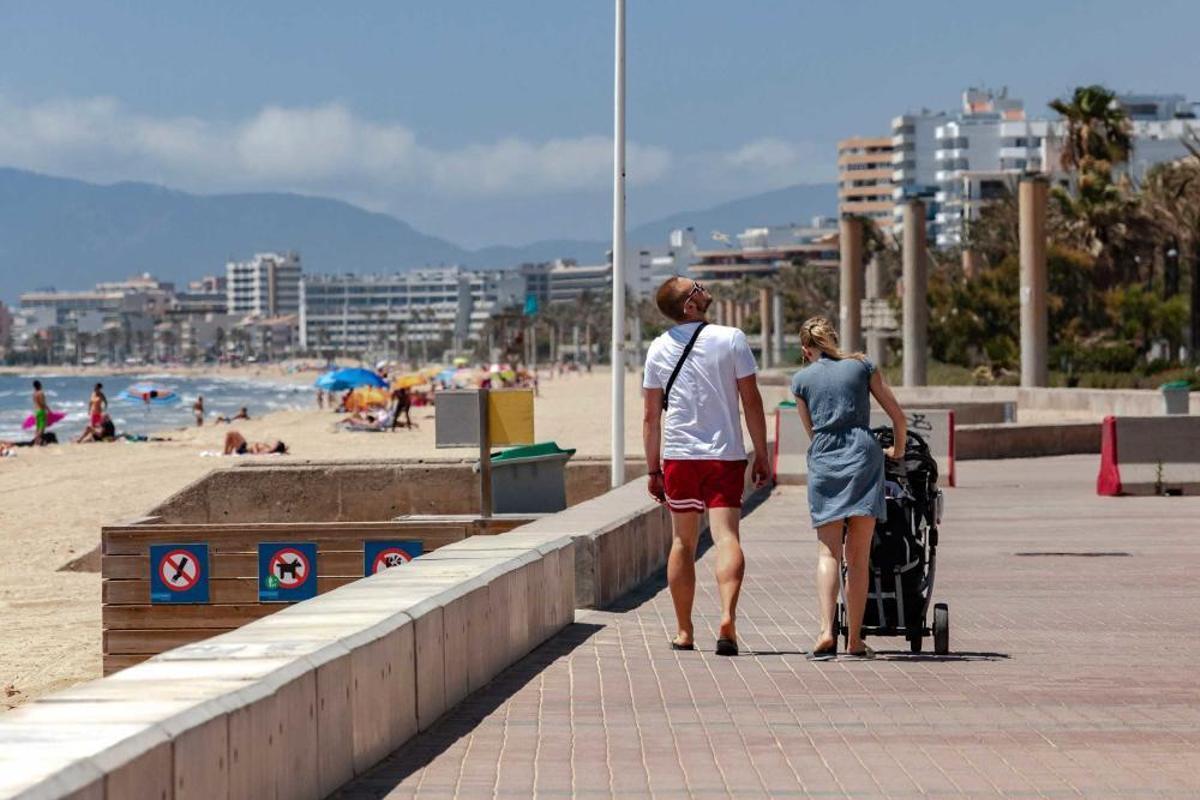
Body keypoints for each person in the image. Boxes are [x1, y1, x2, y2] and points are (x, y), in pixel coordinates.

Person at [642, 276, 770, 656]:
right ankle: (727, 618)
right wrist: (760, 452)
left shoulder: (658, 348)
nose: (702, 286)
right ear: (690, 306)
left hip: (680, 456)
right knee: (726, 537)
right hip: (724, 454)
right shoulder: (732, 339)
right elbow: (751, 401)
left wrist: (653, 469)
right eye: (695, 286)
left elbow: (651, 417)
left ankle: (684, 631)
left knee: (682, 540)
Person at [790, 316, 908, 661]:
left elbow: (812, 431)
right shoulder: (861, 367)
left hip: (825, 460)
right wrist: (897, 451)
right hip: (863, 457)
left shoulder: (801, 380)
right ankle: (855, 640)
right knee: (858, 557)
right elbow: (898, 417)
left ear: (805, 350)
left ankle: (826, 632)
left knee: (828, 552)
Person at [223, 431, 287, 455]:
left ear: (276, 446)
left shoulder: (268, 450)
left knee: (230, 434)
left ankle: (225, 452)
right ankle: (228, 452)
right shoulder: (269, 448)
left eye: (276, 443)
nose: (274, 443)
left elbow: (257, 454)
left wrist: (255, 446)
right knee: (232, 436)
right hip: (244, 447)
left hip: (244, 450)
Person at [31, 380, 49, 446]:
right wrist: (48, 409)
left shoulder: (34, 394)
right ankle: (37, 440)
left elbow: (35, 402)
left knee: (37, 428)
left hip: (36, 411)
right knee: (42, 427)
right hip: (41, 411)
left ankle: (37, 442)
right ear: (40, 385)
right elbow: (42, 403)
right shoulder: (40, 393)